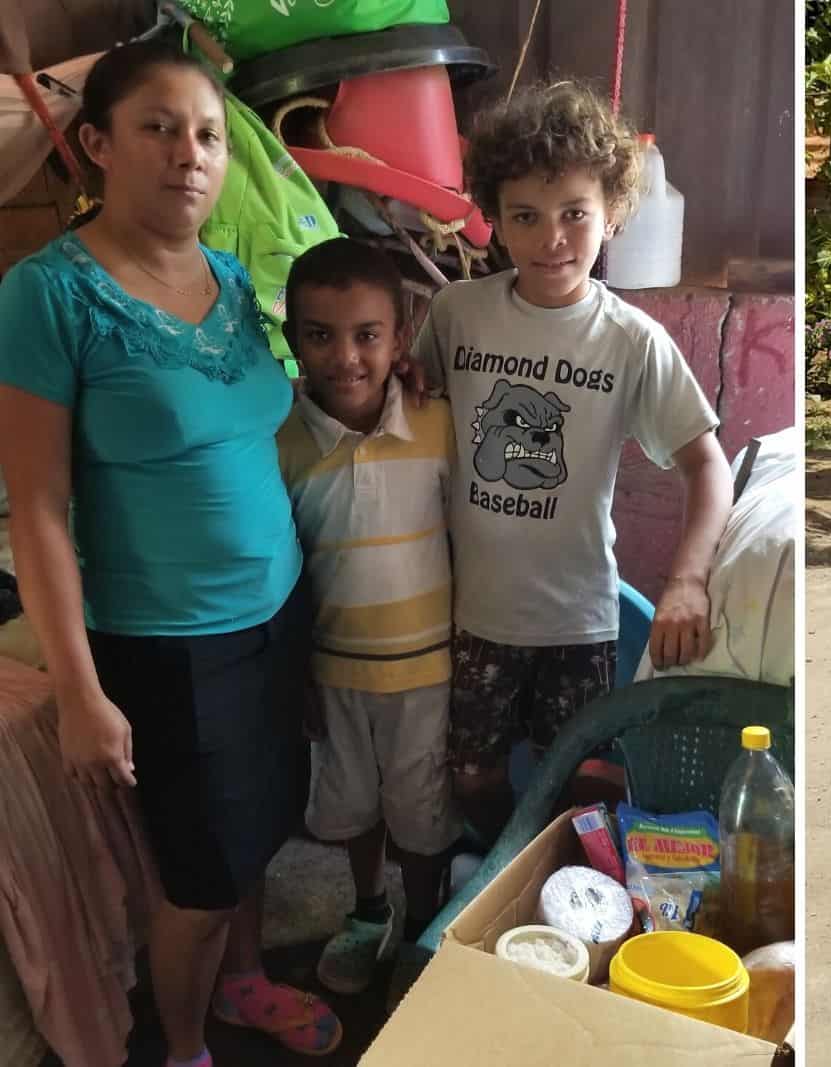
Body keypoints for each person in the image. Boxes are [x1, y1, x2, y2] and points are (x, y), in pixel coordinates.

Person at [0, 39, 340, 1065]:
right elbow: (38, 506)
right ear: (97, 144)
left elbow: (258, 422)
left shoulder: (232, 279)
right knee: (194, 879)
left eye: (205, 134)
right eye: (159, 129)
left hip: (280, 610)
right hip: (171, 645)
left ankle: (243, 983)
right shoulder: (48, 295)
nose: (189, 154)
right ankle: (186, 1044)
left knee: (263, 825)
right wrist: (82, 688)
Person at [411, 80, 733, 844]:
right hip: (470, 616)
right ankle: (495, 871)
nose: (551, 237)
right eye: (525, 215)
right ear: (492, 217)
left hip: (578, 623)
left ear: (613, 213)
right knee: (472, 775)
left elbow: (709, 465)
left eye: (574, 214)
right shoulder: (455, 314)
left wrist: (687, 578)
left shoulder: (631, 339)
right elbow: (413, 410)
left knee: (578, 783)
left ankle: (555, 889)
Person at [276, 238, 461, 993]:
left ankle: (424, 923)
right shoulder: (281, 443)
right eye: (319, 334)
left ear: (400, 333)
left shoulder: (437, 420)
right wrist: (297, 676)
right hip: (335, 669)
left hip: (430, 671)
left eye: (367, 335)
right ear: (292, 340)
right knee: (353, 806)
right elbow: (284, 570)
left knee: (421, 811)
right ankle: (366, 910)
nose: (345, 357)